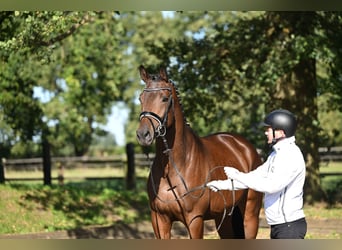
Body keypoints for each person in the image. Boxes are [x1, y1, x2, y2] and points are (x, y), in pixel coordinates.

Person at [207, 109, 307, 239]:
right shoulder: (275, 155)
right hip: (279, 225)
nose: (266, 132)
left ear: (281, 132)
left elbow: (272, 186)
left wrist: (237, 175)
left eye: (269, 129)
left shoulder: (290, 155)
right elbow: (254, 176)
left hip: (289, 226)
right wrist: (222, 185)